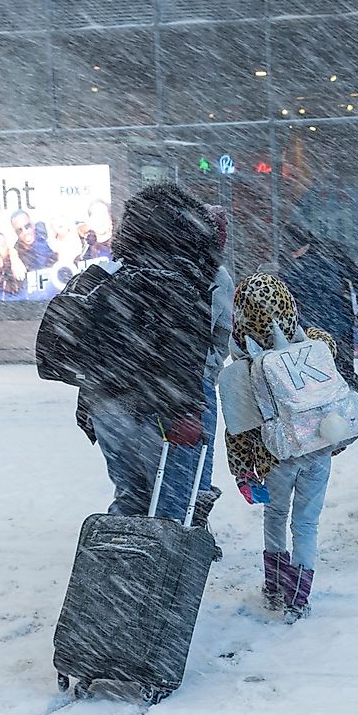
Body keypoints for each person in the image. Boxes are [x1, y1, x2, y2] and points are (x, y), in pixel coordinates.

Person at [74, 182, 223, 523]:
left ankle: (118, 565)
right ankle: (159, 570)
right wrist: (188, 411)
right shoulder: (181, 284)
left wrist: (88, 402)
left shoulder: (109, 278)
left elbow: (91, 349)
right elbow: (183, 356)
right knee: (170, 505)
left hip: (107, 407)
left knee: (130, 496)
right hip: (158, 410)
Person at [225, 272, 339, 622]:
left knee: (275, 515)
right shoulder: (319, 344)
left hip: (273, 456)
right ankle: (298, 599)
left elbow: (239, 431)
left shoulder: (241, 370)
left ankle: (274, 585)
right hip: (317, 446)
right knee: (306, 523)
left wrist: (243, 471)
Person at [280, 223, 358, 395]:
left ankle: (352, 410)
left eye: (294, 251)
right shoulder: (291, 262)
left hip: (333, 324)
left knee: (340, 371)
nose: (293, 255)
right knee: (318, 374)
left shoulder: (330, 254)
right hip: (313, 326)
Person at [189, 204, 235, 525]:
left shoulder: (162, 267)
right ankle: (196, 523)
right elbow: (223, 332)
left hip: (157, 377)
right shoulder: (218, 277)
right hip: (198, 377)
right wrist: (211, 367)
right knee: (201, 452)